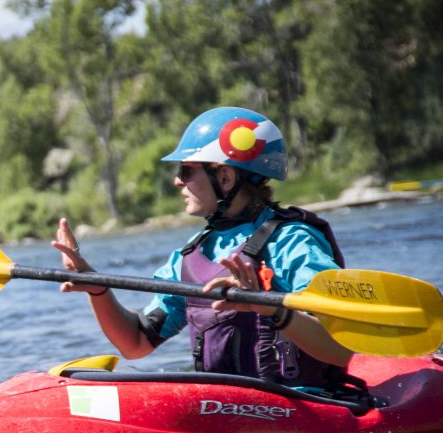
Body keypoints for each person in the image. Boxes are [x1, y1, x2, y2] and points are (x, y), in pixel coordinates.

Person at [52, 106, 358, 393]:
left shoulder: (292, 241)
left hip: (305, 405)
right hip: (224, 410)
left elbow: (342, 350)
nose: (177, 181)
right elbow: (136, 342)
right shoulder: (191, 256)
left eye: (186, 171)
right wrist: (98, 289)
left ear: (225, 177)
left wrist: (271, 308)